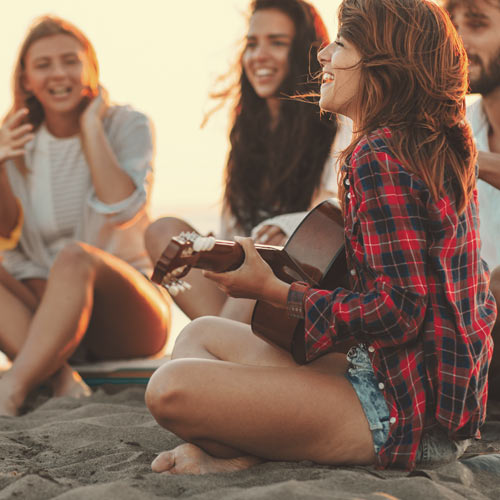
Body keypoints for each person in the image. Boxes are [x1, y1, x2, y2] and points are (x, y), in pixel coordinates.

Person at [145, 0, 497, 472]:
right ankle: (259, 447)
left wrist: (272, 290)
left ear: (382, 66)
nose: (322, 55)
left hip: (400, 415)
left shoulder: (378, 156)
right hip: (406, 388)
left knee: (169, 389)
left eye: (340, 43)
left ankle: (249, 455)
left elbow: (400, 311)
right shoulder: (427, 146)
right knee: (200, 336)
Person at [0, 15, 170, 417]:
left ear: (91, 68)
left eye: (70, 61)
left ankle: (14, 388)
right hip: (48, 315)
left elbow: (124, 208)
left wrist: (91, 128)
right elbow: (5, 232)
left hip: (128, 315)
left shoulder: (128, 124)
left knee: (75, 256)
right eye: (43, 65)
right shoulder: (16, 140)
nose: (59, 73)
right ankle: (59, 377)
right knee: (54, 263)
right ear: (26, 79)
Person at [145, 0, 352, 321]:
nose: (260, 56)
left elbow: (338, 215)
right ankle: (219, 340)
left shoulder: (338, 123)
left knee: (276, 249)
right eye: (252, 44)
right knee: (163, 232)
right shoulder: (246, 134)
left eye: (277, 43)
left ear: (305, 53)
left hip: (303, 283)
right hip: (242, 282)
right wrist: (221, 246)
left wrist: (282, 229)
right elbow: (237, 227)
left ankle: (216, 346)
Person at [442, 0, 500, 387]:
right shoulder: (463, 128)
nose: (459, 40)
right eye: (452, 26)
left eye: (476, 23)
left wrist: (468, 160)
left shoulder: (462, 150)